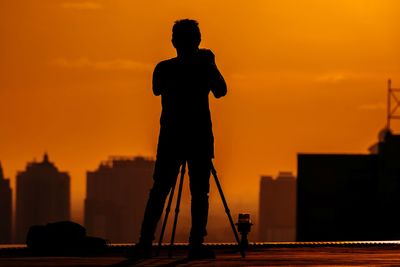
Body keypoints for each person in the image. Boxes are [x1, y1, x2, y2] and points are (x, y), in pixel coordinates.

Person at [133, 19, 227, 259]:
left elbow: (156, 89)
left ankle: (145, 242)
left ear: (173, 41)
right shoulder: (204, 65)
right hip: (198, 138)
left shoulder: (164, 68)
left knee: (160, 190)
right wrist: (210, 64)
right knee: (199, 193)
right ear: (198, 41)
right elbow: (221, 91)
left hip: (171, 138)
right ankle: (196, 244)